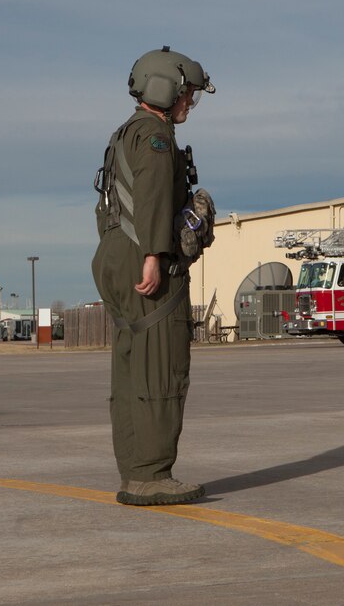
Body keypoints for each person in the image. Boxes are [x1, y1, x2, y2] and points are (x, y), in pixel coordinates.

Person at [92, 46, 215, 506]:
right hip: (144, 260)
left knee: (130, 367)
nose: (189, 103)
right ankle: (151, 475)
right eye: (187, 94)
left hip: (112, 256)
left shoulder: (125, 133)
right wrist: (154, 255)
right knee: (161, 367)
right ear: (167, 89)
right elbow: (153, 198)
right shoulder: (157, 137)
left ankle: (134, 470)